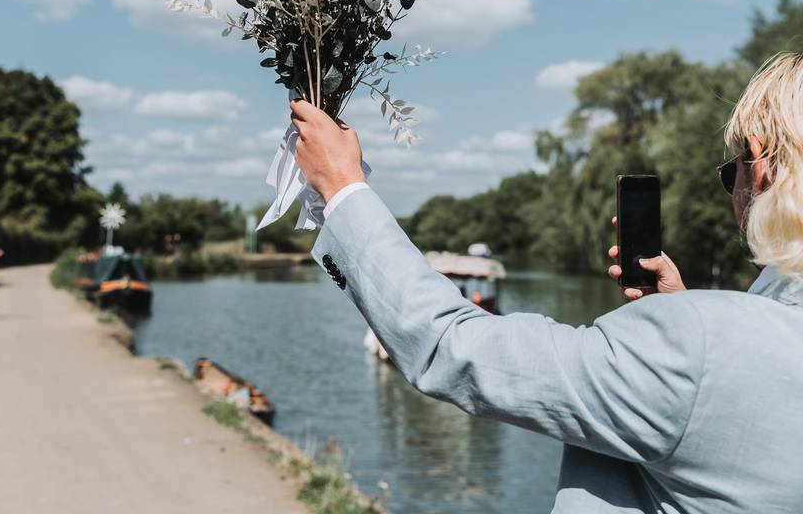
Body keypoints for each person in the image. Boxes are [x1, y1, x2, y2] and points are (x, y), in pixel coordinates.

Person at [290, 52, 803, 512]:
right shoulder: (725, 345)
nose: (730, 189)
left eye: (728, 173)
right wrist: (685, 314)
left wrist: (342, 189)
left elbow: (450, 346)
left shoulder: (697, 349)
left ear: (759, 167)